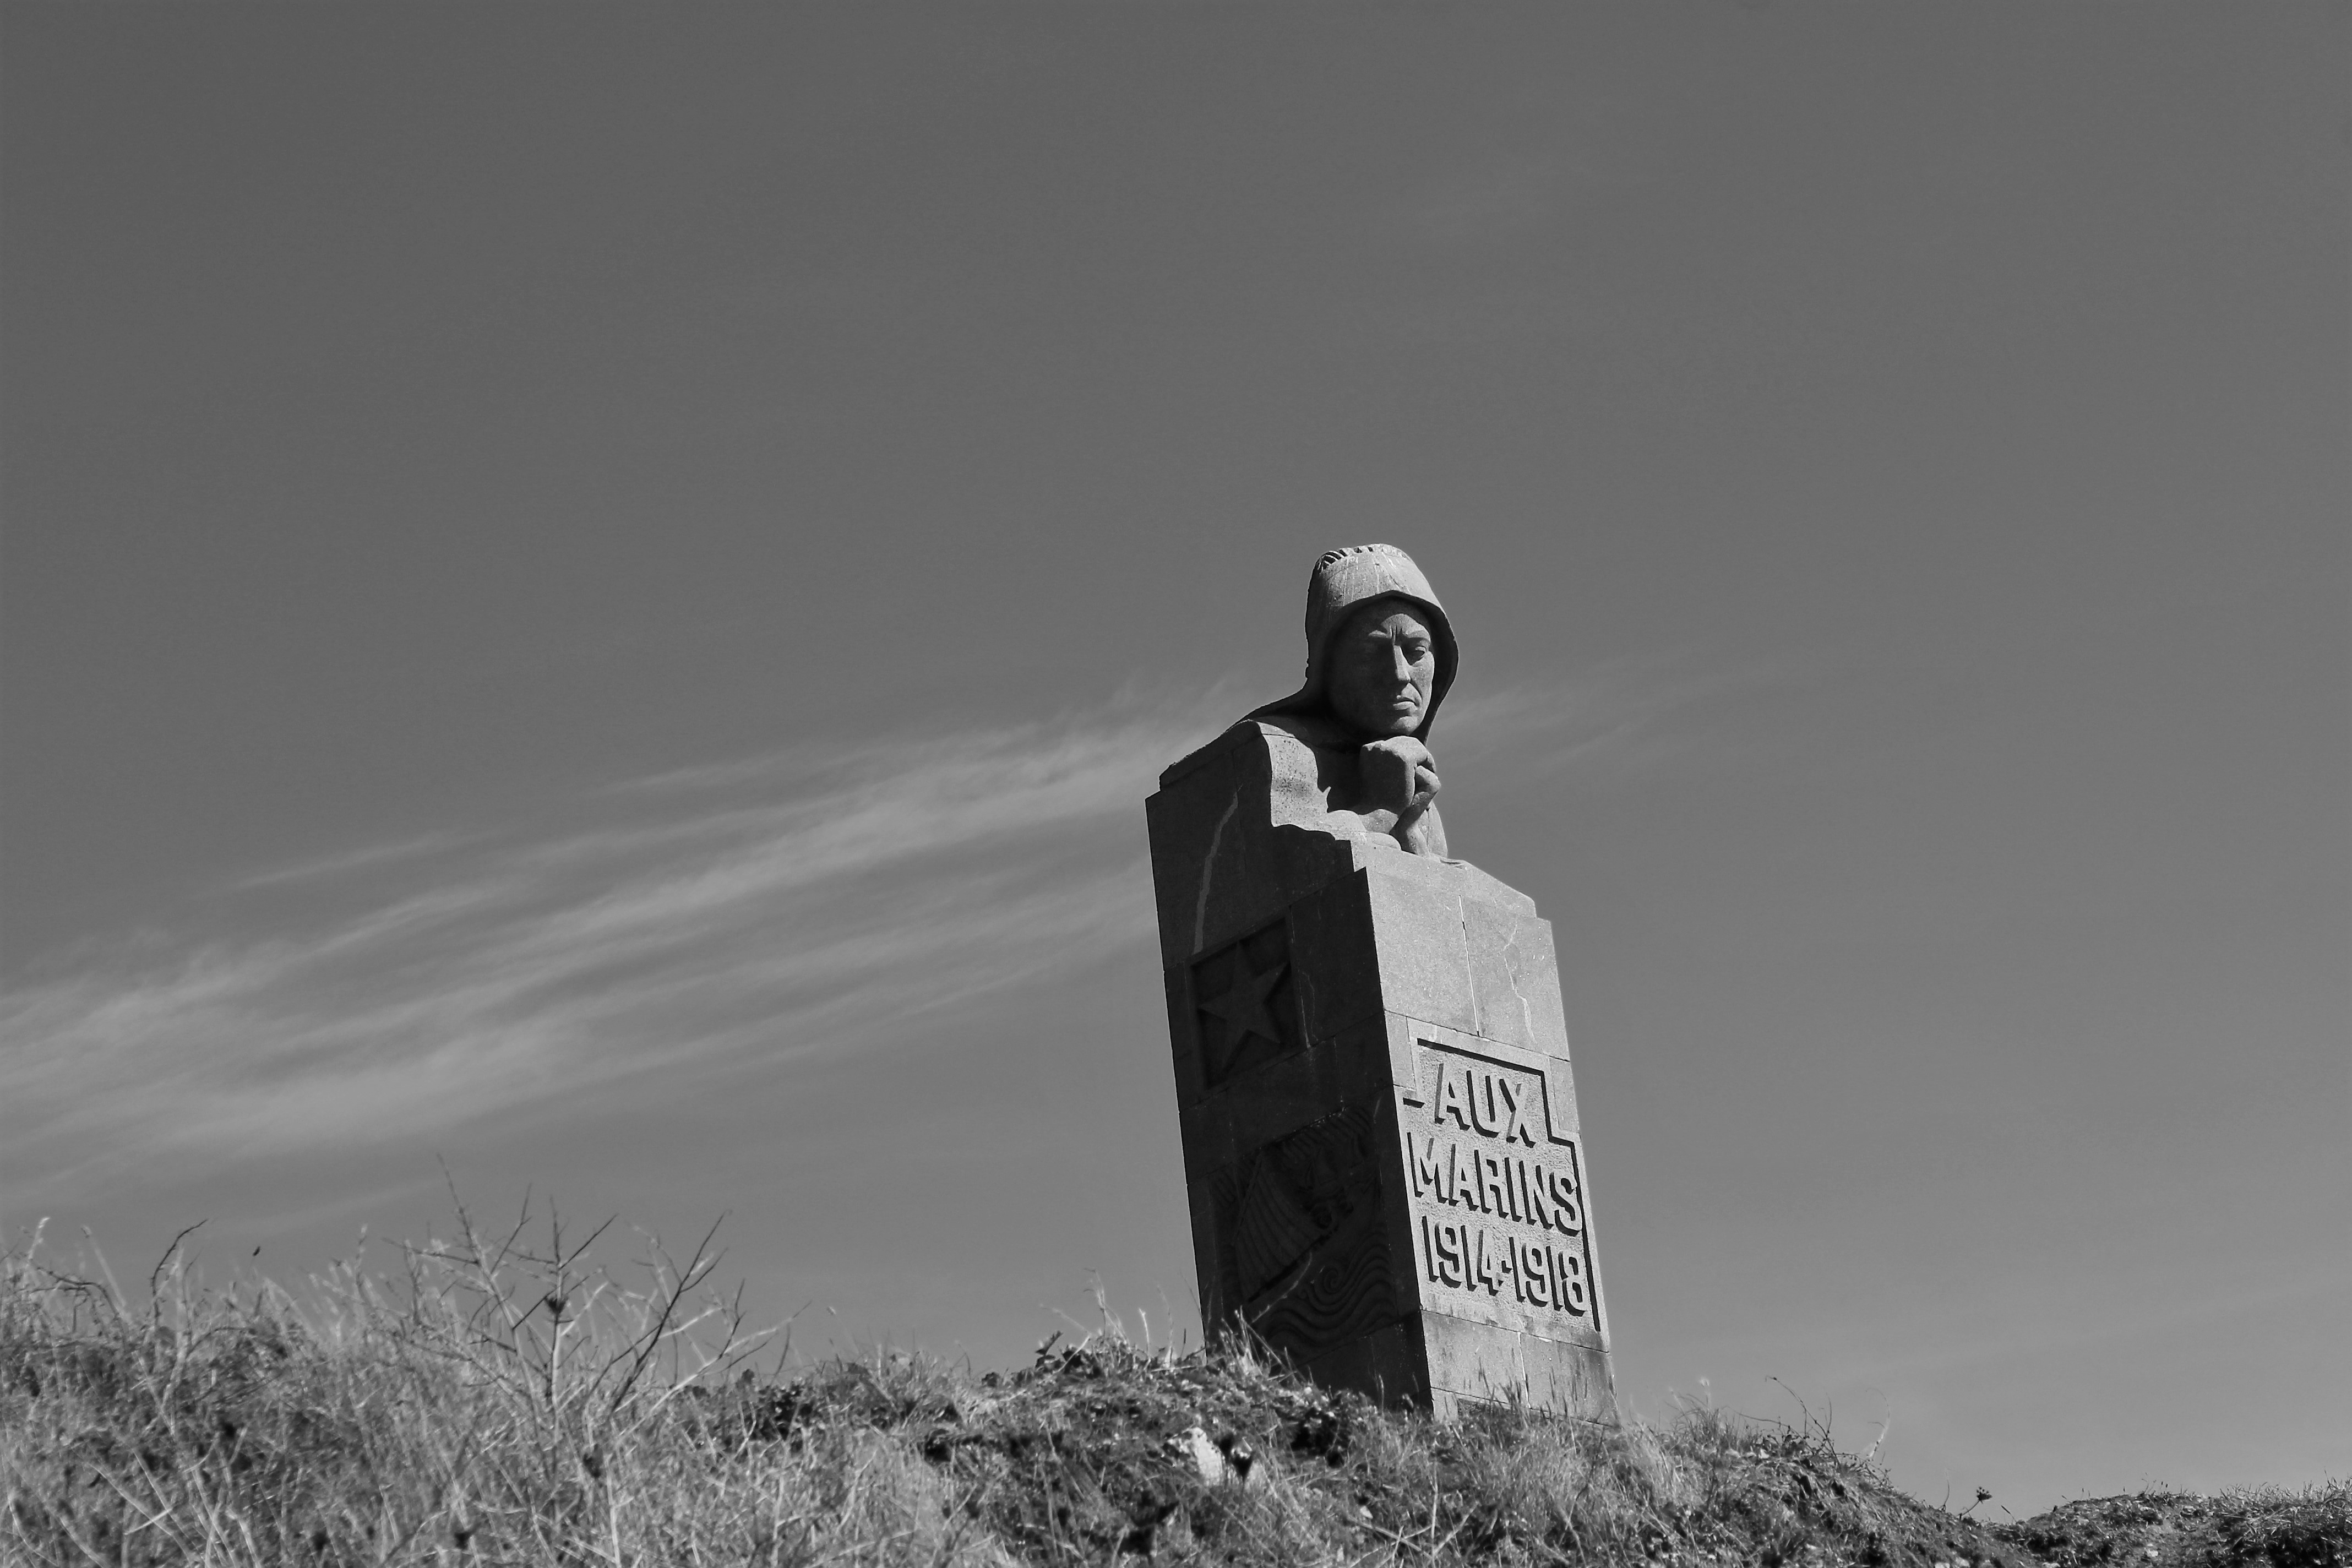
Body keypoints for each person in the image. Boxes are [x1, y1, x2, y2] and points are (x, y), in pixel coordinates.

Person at [1241, 543, 1457, 858]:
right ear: (1326, 668)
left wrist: (1410, 831)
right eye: (1371, 653)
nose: (1400, 674)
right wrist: (1381, 810)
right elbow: (1283, 869)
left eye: (1417, 652)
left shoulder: (1415, 776)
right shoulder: (1271, 750)